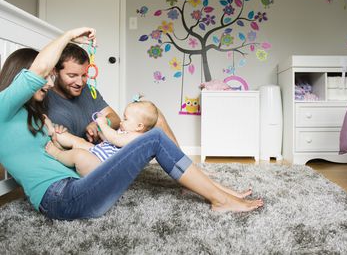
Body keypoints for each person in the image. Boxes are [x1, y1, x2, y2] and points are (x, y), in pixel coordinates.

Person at [0, 27, 263, 220]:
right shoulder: (3, 108)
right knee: (154, 138)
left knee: (152, 124)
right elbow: (38, 71)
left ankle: (213, 190)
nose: (46, 82)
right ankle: (220, 200)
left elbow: (73, 144)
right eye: (44, 77)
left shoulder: (32, 115)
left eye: (48, 77)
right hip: (63, 197)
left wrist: (69, 135)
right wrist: (69, 35)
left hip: (77, 184)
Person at [47, 43, 179, 145]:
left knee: (154, 115)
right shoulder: (48, 101)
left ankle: (182, 166)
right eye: (72, 75)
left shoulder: (88, 90)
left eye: (84, 75)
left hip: (114, 141)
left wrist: (99, 124)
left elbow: (114, 118)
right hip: (97, 154)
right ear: (55, 71)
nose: (80, 82)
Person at [45, 100, 159, 176]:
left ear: (139, 126)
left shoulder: (137, 137)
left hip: (102, 167)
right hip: (98, 153)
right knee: (78, 141)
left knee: (78, 155)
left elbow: (115, 139)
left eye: (126, 119)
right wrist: (100, 132)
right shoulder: (126, 132)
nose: (122, 121)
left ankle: (57, 154)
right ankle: (54, 133)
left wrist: (104, 124)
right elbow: (111, 141)